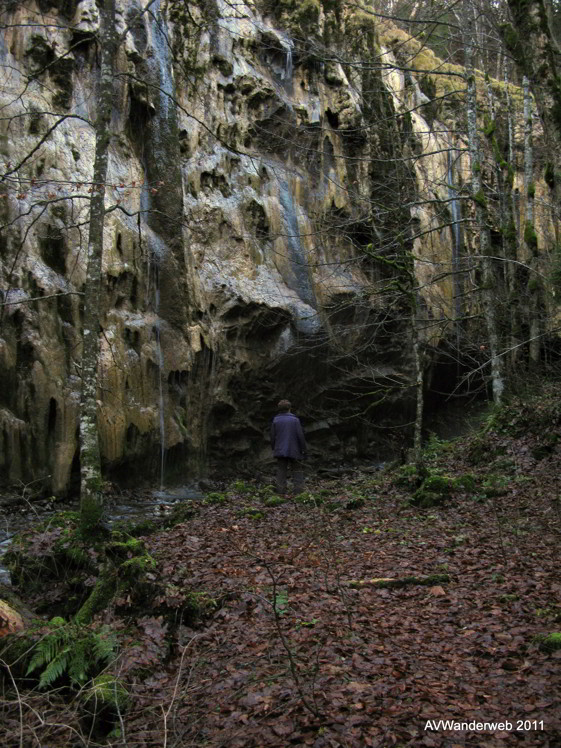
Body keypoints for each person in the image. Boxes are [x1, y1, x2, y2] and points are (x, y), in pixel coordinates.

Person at [270, 399, 307, 495]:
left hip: (280, 449)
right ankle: (299, 492)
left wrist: (274, 448)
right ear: (290, 408)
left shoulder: (275, 420)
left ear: (279, 409)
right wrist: (303, 449)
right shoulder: (295, 420)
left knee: (281, 471)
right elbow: (300, 435)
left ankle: (280, 492)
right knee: (297, 470)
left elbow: (272, 436)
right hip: (294, 449)